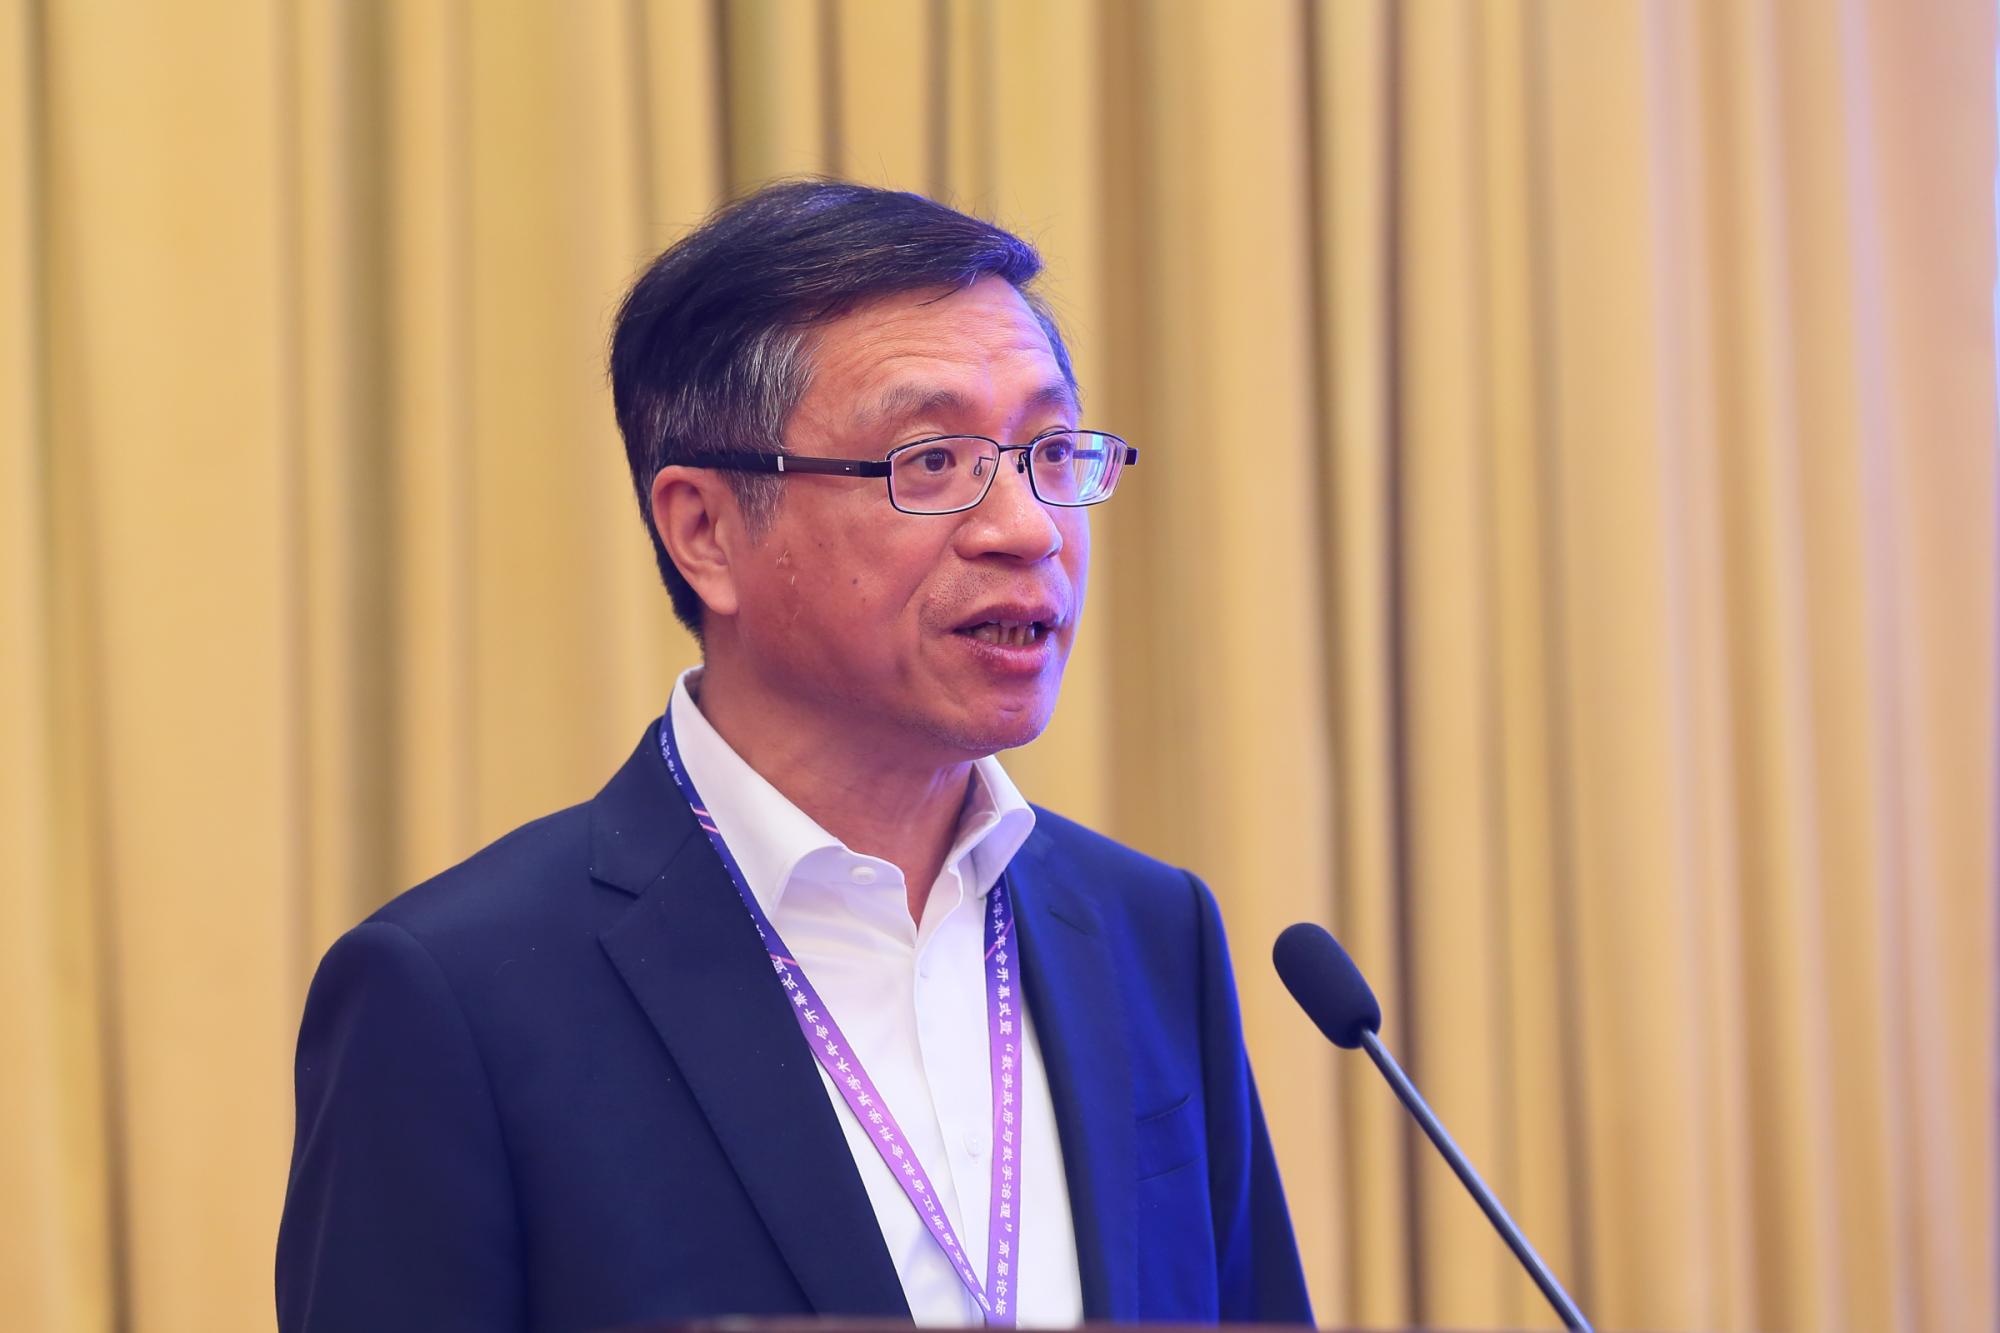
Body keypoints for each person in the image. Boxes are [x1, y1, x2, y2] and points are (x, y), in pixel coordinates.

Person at [275, 179, 1311, 1332]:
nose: (1025, 528)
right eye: (931, 461)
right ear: (704, 531)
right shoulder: (457, 999)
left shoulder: (1149, 934)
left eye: (1050, 450)